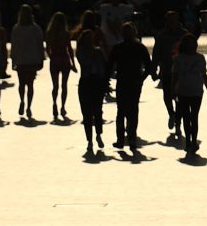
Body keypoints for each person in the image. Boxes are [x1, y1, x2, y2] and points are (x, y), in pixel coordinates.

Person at [109, 22, 151, 149]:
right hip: (126, 81)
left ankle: (129, 137)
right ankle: (123, 138)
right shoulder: (121, 48)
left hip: (132, 82)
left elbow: (149, 66)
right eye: (125, 31)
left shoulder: (134, 48)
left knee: (129, 110)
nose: (127, 34)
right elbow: (109, 65)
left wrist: (141, 79)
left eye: (129, 31)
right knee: (125, 110)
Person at [75, 12, 109, 154]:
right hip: (86, 82)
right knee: (86, 113)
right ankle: (89, 139)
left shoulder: (99, 51)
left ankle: (99, 134)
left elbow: (104, 66)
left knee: (98, 111)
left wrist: (105, 83)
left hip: (97, 82)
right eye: (88, 39)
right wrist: (92, 53)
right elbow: (85, 63)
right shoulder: (81, 52)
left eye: (92, 39)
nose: (91, 42)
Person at [171, 33, 207, 154]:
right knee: (187, 117)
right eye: (188, 44)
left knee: (194, 117)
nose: (191, 46)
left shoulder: (200, 58)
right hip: (183, 91)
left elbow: (204, 75)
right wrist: (173, 90)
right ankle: (188, 140)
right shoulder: (178, 59)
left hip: (196, 91)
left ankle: (193, 141)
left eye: (192, 44)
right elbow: (175, 76)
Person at [150, 10, 185, 137]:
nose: (172, 23)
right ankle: (171, 114)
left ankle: (178, 121)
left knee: (180, 97)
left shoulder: (184, 34)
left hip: (182, 71)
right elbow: (156, 53)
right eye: (169, 20)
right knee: (167, 95)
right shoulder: (162, 35)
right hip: (167, 69)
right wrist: (153, 69)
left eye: (174, 20)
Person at [9, 4, 45, 121]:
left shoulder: (16, 28)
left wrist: (13, 60)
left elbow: (13, 46)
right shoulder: (35, 28)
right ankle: (29, 105)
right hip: (32, 59)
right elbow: (40, 44)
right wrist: (41, 58)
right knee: (30, 85)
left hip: (21, 59)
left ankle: (22, 100)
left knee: (21, 83)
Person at [45, 10, 75, 122]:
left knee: (55, 86)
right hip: (64, 60)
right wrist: (73, 63)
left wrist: (51, 56)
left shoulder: (49, 33)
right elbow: (70, 49)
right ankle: (63, 106)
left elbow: (47, 48)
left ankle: (54, 103)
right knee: (64, 85)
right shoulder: (66, 34)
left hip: (55, 60)